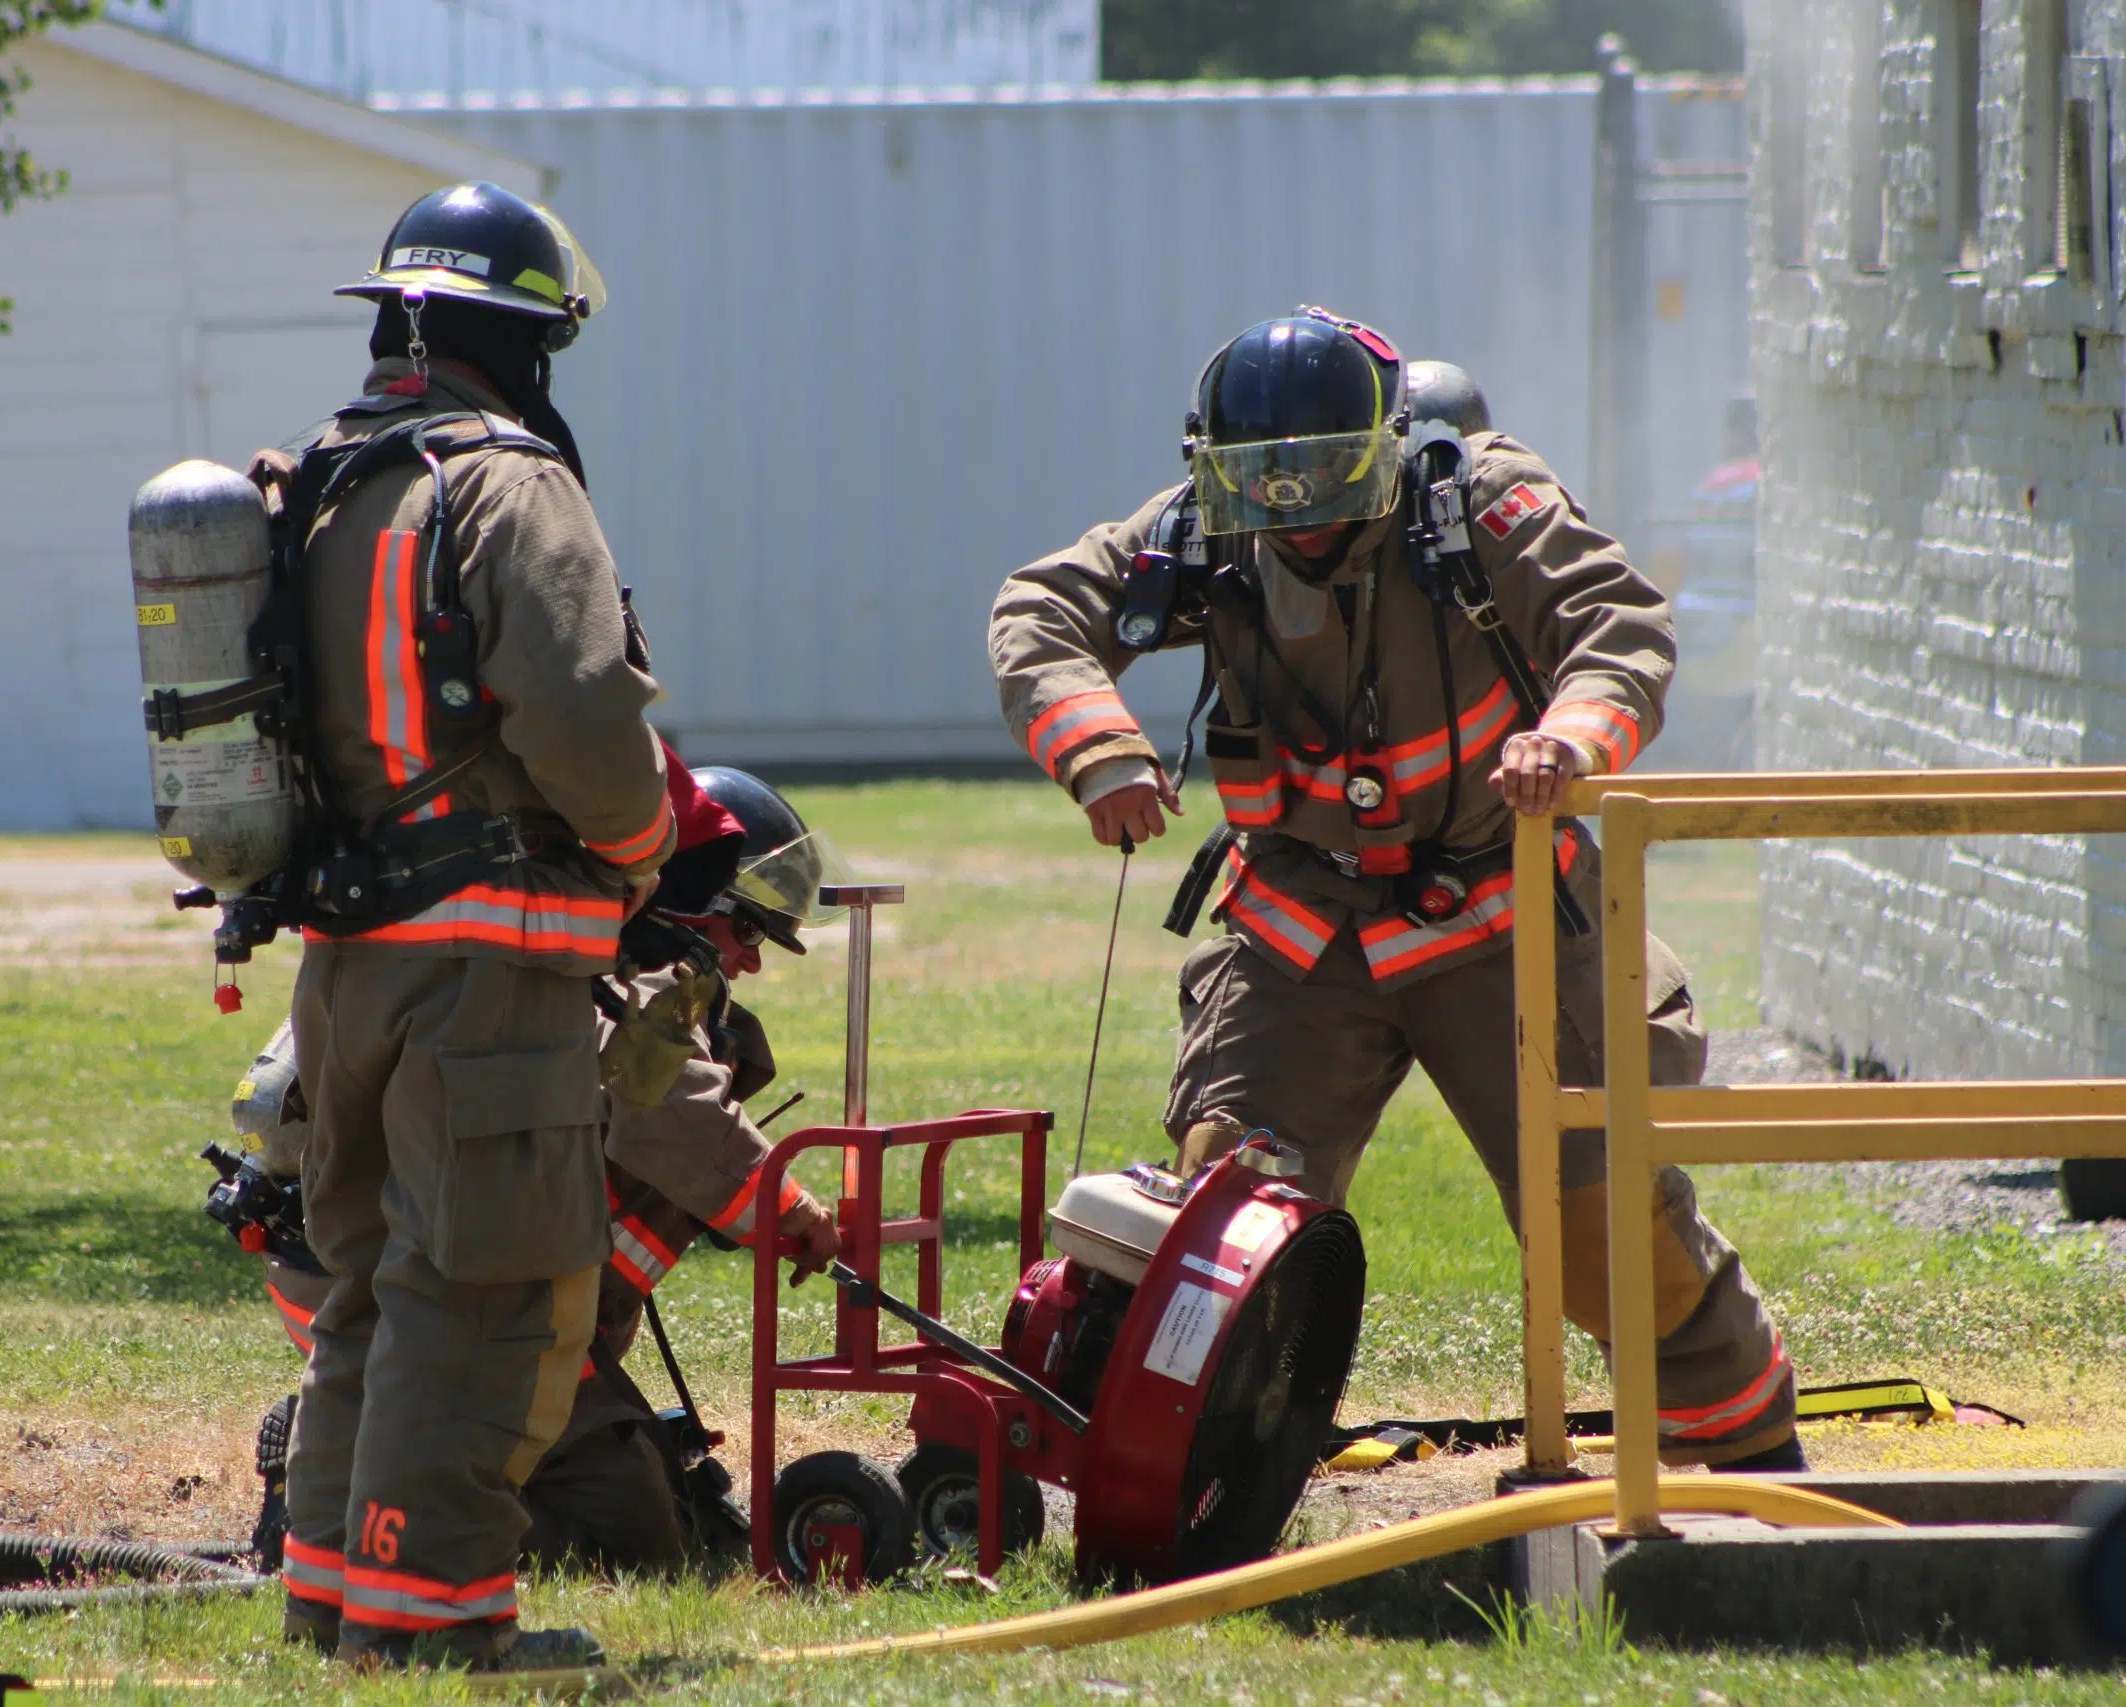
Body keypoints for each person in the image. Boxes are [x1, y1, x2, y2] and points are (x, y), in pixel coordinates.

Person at [986, 309, 1802, 1472]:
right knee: (1227, 1225)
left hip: (1500, 910)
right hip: (1302, 931)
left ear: (1385, 443)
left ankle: (1748, 1450)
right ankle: (1209, 1479)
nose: (1294, 510)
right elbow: (1040, 610)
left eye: (1322, 474)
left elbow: (1616, 626)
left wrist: (1568, 743)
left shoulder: (1480, 505)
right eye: (1258, 480)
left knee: (1599, 1226)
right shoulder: (1202, 532)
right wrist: (1101, 751)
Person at [270, 182, 676, 1673]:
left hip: (347, 970)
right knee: (489, 1288)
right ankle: (436, 1624)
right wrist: (644, 849)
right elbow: (578, 716)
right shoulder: (507, 483)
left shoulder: (321, 479)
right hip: (483, 966)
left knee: (369, 1281)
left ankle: (336, 1596)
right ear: (530, 344)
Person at [232, 768, 846, 1575]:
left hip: (441, 1276)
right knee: (631, 1537)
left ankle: (361, 1463)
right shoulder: (639, 975)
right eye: (751, 934)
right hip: (443, 1287)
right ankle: (349, 1494)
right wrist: (791, 1209)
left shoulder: (603, 952)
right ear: (705, 904)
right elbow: (674, 1116)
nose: (752, 964)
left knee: (658, 1506)